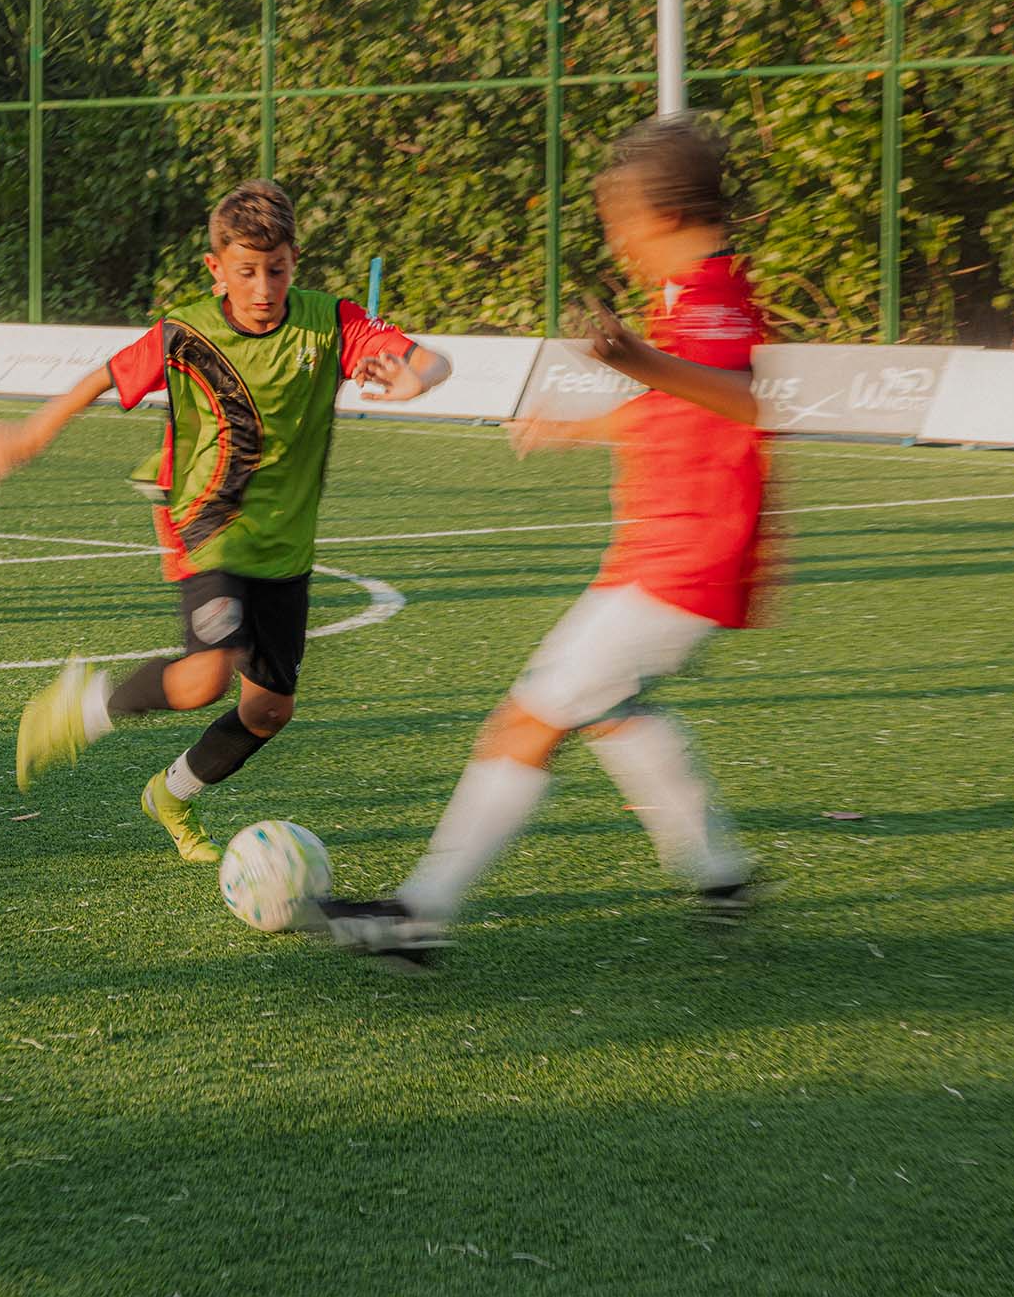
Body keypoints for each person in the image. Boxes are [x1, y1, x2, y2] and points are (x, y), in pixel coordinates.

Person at [318, 113, 770, 969]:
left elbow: (739, 399)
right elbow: (678, 408)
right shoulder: (695, 294)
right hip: (662, 559)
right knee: (611, 712)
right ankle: (721, 874)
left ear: (667, 214)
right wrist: (579, 426)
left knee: (524, 723)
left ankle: (418, 916)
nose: (619, 241)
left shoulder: (709, 296)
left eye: (622, 222)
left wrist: (639, 361)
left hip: (683, 564)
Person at [0, 180, 450, 862]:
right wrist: (32, 431)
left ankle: (170, 795)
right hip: (208, 523)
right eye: (246, 271)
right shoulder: (187, 331)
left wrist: (417, 378)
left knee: (268, 712)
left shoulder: (331, 323)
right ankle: (85, 706)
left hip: (285, 547)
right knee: (205, 678)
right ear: (216, 267)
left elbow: (430, 358)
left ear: (294, 261)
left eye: (277, 270)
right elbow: (106, 375)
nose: (263, 288)